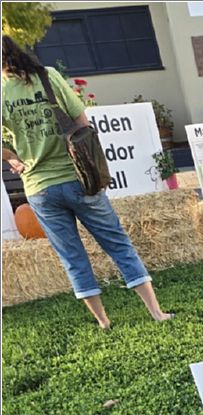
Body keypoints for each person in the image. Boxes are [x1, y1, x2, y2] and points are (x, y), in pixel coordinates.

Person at [1, 35, 172, 329]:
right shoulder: (48, 77)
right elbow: (83, 122)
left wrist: (13, 157)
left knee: (72, 256)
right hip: (79, 177)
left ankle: (104, 321)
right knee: (118, 244)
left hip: (39, 186)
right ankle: (156, 313)